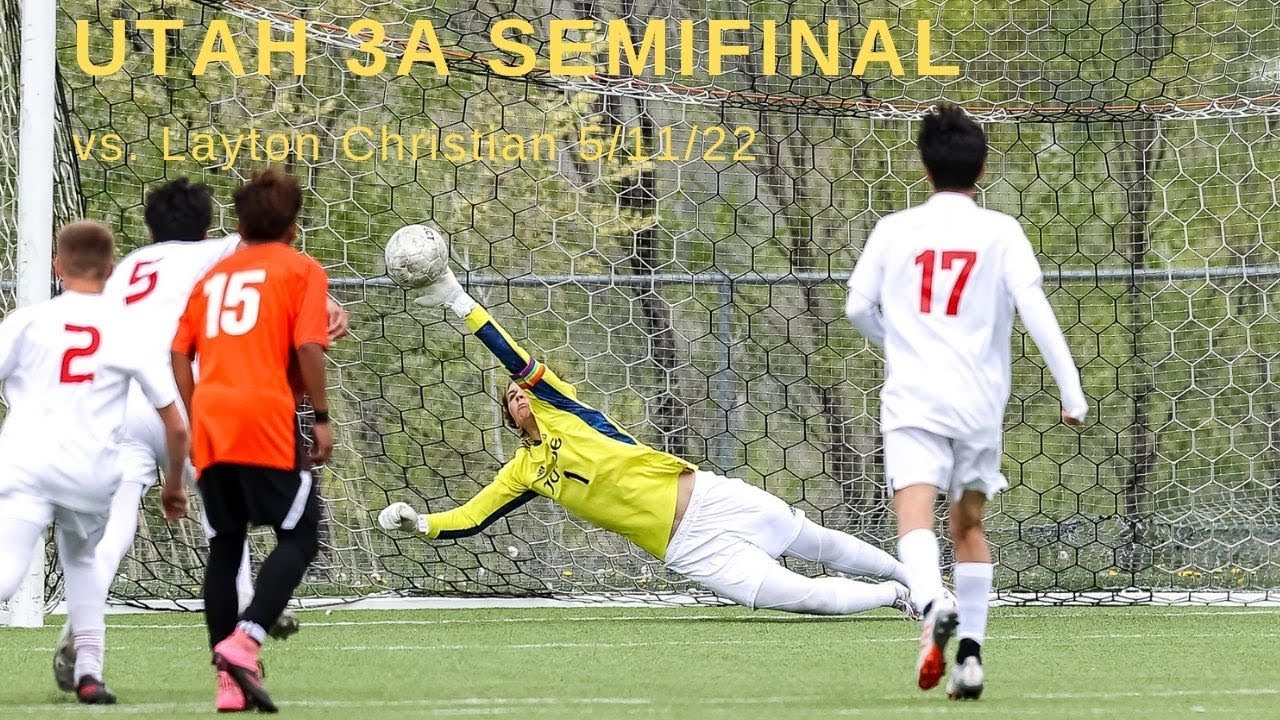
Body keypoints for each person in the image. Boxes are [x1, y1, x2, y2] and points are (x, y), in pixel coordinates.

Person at [377, 262, 914, 620]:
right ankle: (898, 598)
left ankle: (911, 575)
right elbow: (472, 518)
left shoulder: (563, 407)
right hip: (687, 549)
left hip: (707, 497)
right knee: (800, 597)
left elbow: (511, 354)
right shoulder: (523, 472)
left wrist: (456, 300)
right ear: (509, 414)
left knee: (815, 541)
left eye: (524, 387)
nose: (519, 391)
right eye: (511, 396)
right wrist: (419, 523)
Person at [51, 178, 350, 691]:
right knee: (224, 529)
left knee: (115, 530)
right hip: (187, 400)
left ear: (149, 229)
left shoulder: (127, 270)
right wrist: (326, 304)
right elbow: (267, 249)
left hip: (121, 404)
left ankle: (82, 622)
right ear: (211, 225)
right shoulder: (223, 249)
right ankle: (249, 616)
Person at [844, 103, 1088, 700]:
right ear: (981, 170)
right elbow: (1034, 306)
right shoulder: (1000, 231)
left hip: (913, 395)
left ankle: (931, 604)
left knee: (913, 515)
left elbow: (856, 307)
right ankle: (971, 660)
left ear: (924, 169)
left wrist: (896, 344)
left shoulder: (895, 230)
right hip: (979, 402)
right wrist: (1071, 388)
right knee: (969, 524)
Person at [0, 221, 189, 704]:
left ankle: (88, 670)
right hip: (91, 474)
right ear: (110, 269)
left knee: (8, 565)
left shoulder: (26, 322)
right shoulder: (129, 329)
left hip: (26, 462)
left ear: (56, 266)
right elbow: (176, 422)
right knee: (83, 562)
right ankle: (89, 674)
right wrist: (173, 484)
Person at [171, 169, 333, 713]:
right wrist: (323, 416)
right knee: (303, 534)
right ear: (293, 225)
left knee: (226, 542)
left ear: (238, 224)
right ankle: (246, 640)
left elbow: (178, 350)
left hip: (211, 420)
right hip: (264, 414)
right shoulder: (301, 269)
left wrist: (196, 412)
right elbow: (309, 345)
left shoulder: (212, 278)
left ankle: (227, 682)